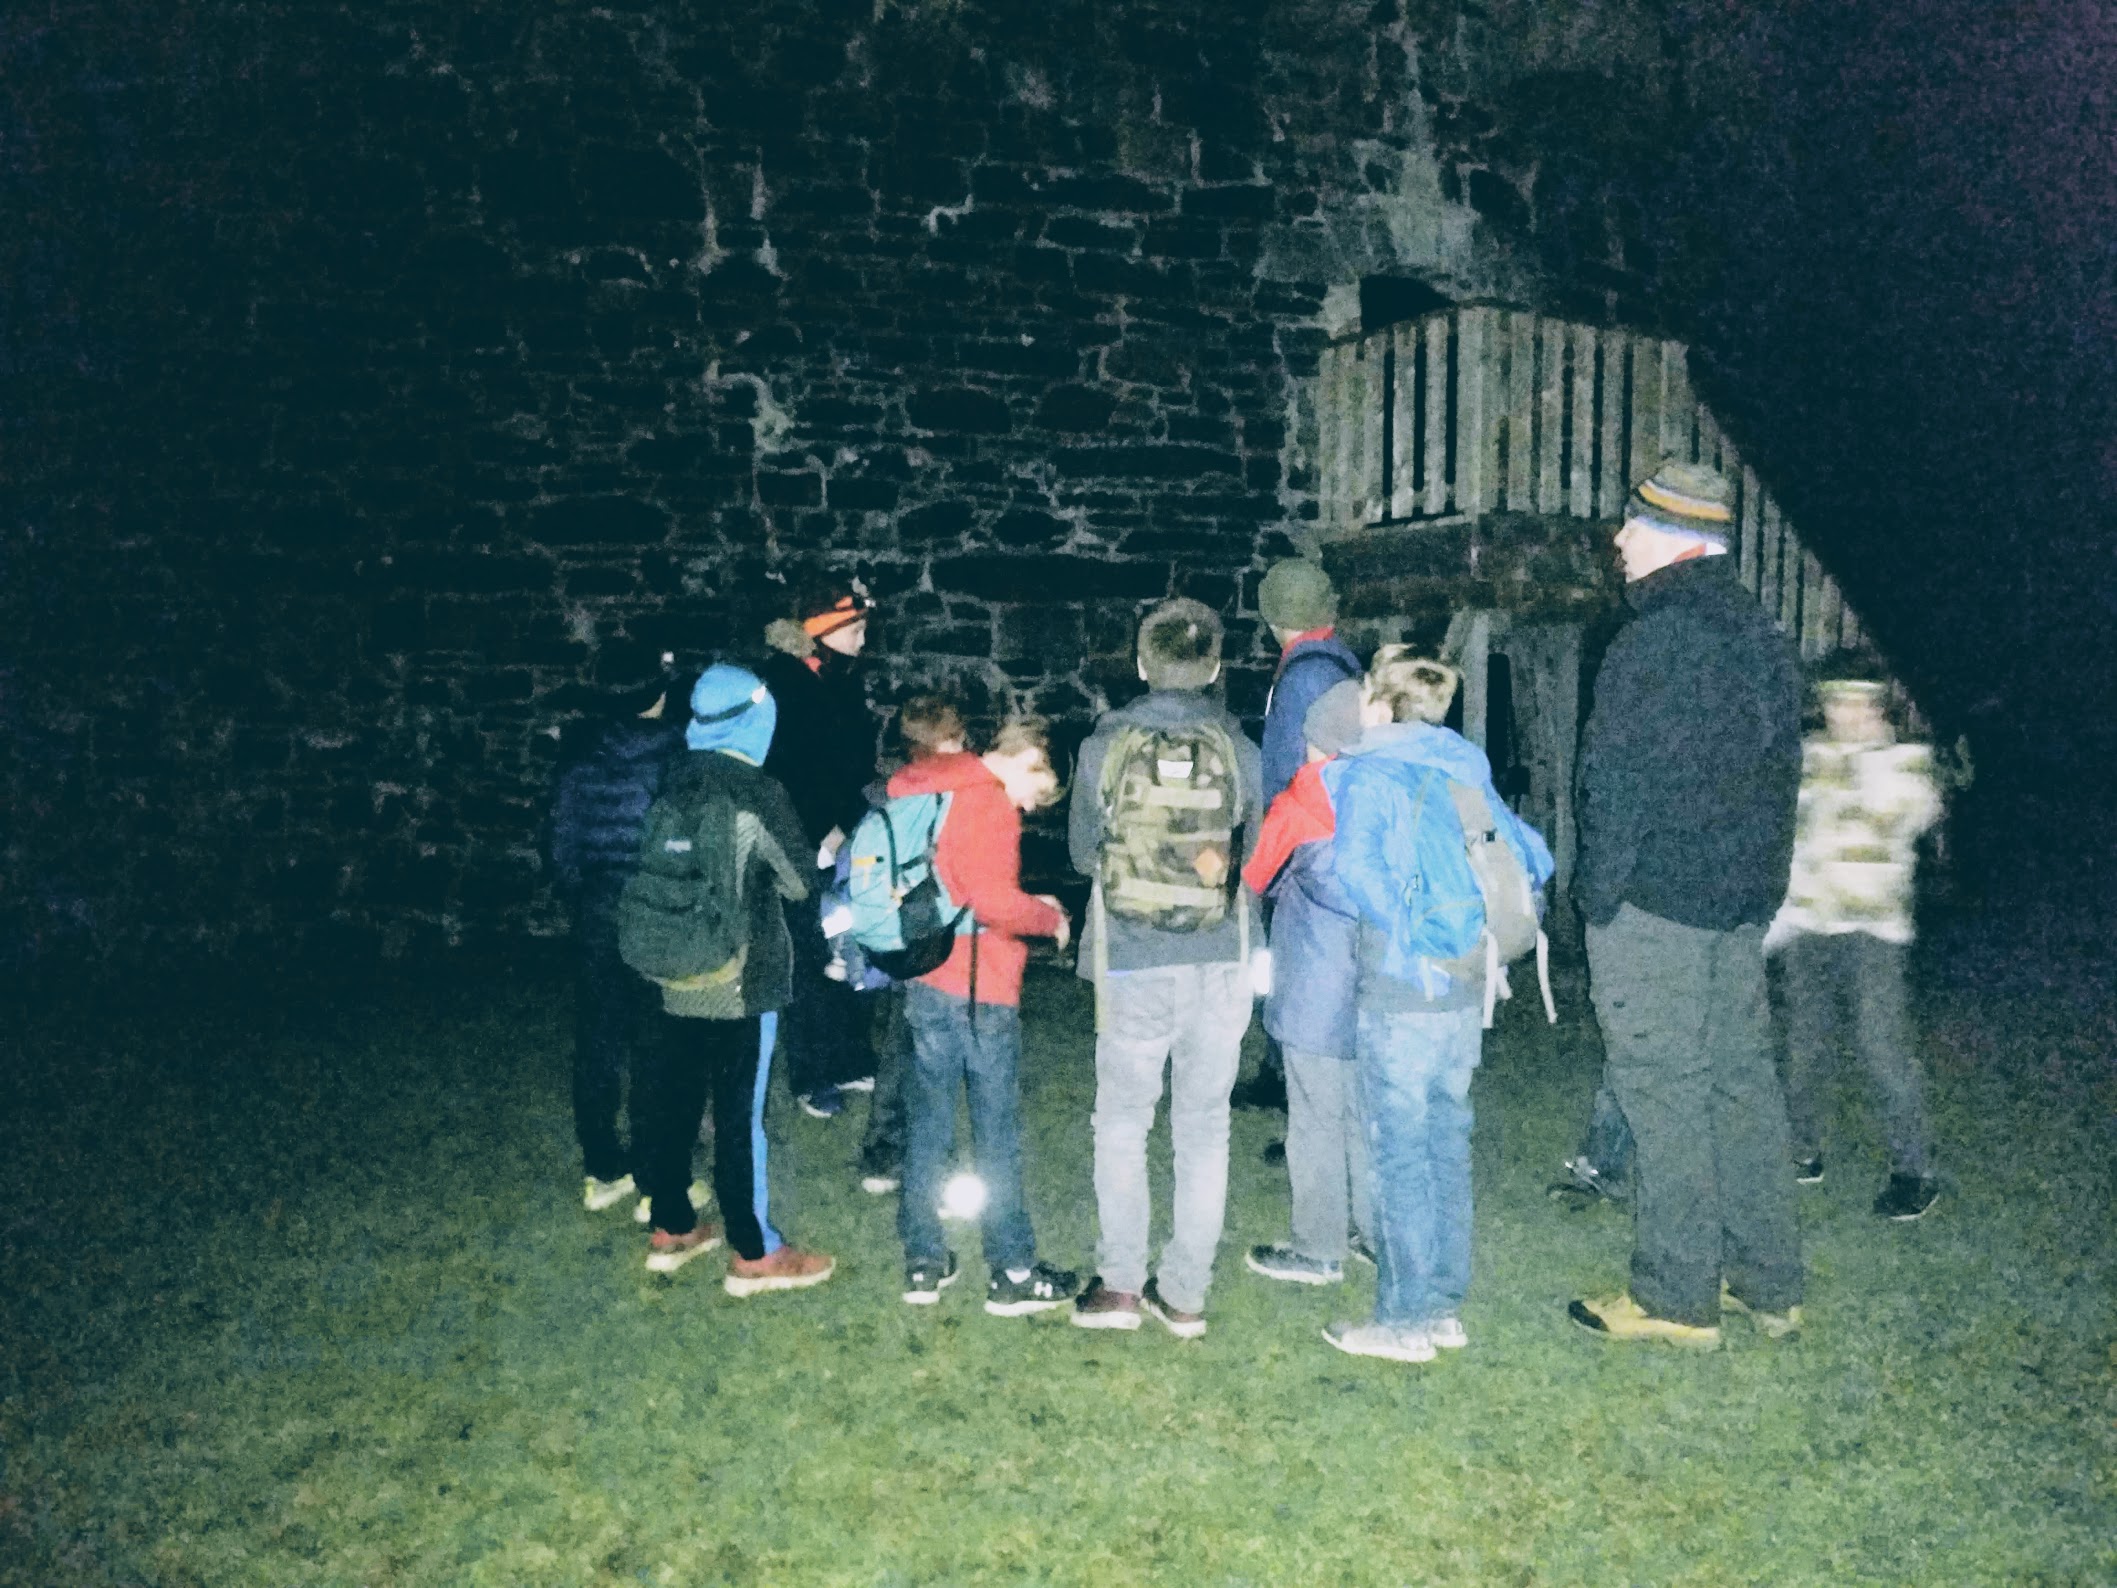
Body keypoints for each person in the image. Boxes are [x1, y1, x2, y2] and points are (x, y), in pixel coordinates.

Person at [1568, 462, 1805, 1347]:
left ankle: (1674, 1295)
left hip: (1657, 905)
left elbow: (1611, 782)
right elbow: (1782, 776)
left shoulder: (1654, 640)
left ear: (1673, 537)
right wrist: (1762, 888)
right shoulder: (1761, 635)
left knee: (1662, 1089)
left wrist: (1597, 896)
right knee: (1740, 1084)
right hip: (1737, 904)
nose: (1618, 543)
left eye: (1630, 527)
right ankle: (1768, 1282)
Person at [1323, 654, 1552, 1364]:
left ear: (1383, 705)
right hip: (1467, 980)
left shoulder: (1371, 771)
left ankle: (1401, 1320)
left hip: (1405, 985)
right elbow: (1534, 859)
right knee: (1445, 1142)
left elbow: (1354, 872)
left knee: (1398, 1152)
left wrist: (1408, 932)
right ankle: (1443, 1305)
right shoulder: (1463, 765)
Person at [1069, 598, 1263, 1338]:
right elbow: (1252, 846)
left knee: (1121, 1122)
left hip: (1132, 959)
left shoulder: (1105, 745)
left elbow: (1084, 855)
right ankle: (1183, 1295)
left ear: (1142, 662)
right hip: (1221, 956)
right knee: (1203, 1125)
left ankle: (1118, 1286)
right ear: (1213, 665)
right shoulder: (1237, 745)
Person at [630, 664, 836, 1294]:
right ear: (756, 717)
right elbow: (800, 881)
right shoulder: (756, 789)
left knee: (673, 1098)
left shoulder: (672, 778)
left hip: (667, 968)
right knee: (740, 1114)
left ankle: (671, 1226)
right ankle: (754, 1251)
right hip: (739, 979)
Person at [890, 716, 1080, 1314]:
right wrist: (1050, 919)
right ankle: (1013, 1271)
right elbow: (993, 901)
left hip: (926, 973)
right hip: (980, 986)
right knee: (996, 1131)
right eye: (1038, 791)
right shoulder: (990, 801)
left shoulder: (932, 780)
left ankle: (923, 1260)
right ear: (1029, 760)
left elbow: (961, 882)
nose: (1029, 808)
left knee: (928, 1124)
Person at [1766, 657, 1943, 1220]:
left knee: (1879, 1044)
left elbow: (1903, 816)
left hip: (1872, 925)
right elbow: (1788, 829)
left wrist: (1866, 760)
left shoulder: (1905, 760)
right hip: (1808, 920)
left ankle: (1915, 1170)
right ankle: (1801, 1150)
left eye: (1860, 701)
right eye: (1836, 701)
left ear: (1879, 705)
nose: (1847, 713)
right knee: (1803, 1044)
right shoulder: (1809, 756)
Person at [1241, 679, 1375, 1286]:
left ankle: (1319, 1246)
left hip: (1316, 979)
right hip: (1379, 982)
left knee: (1315, 1114)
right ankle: (1372, 1233)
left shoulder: (1300, 797)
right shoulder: (1388, 791)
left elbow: (1259, 874)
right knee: (1363, 1112)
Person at [544, 644, 686, 1213]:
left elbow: (560, 844)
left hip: (599, 909)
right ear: (657, 694)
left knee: (599, 1039)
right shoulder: (676, 758)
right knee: (658, 1044)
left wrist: (585, 891)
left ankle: (603, 1166)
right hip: (654, 910)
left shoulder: (580, 759)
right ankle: (656, 1176)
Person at [1233, 558, 1363, 1126]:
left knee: (1296, 965)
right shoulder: (1335, 659)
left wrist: (1278, 853)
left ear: (1272, 616)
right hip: (1325, 839)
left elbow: (1294, 766)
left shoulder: (1307, 673)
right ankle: (1276, 1069)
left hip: (1305, 844)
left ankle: (1291, 1084)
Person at [761, 582, 881, 1120]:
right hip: (803, 842)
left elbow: (852, 763)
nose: (864, 640)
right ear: (825, 634)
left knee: (851, 941)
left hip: (845, 836)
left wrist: (849, 823)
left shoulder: (842, 682)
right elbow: (789, 770)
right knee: (810, 952)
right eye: (855, 630)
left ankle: (851, 1055)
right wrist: (819, 832)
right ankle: (813, 1073)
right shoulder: (785, 686)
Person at [847, 694, 969, 1198]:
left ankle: (881, 1150)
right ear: (945, 743)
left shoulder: (890, 791)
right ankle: (929, 1158)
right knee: (936, 1048)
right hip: (940, 936)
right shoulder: (948, 794)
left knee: (902, 1043)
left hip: (899, 935)